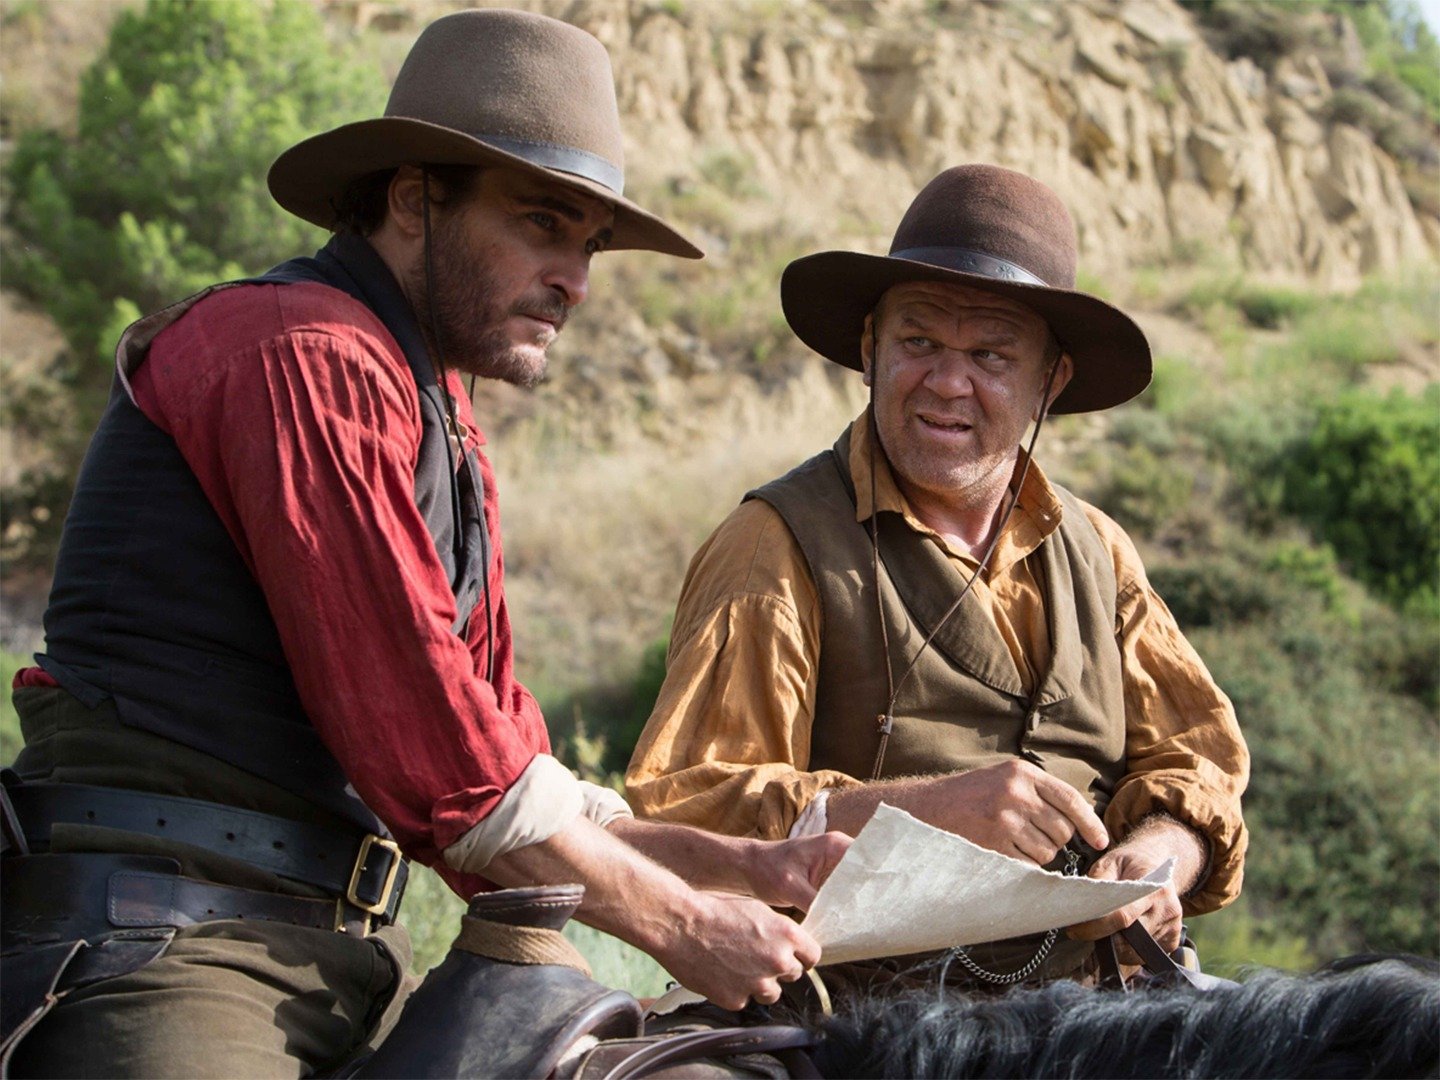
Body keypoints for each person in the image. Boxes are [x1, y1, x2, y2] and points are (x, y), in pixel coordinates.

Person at [0, 11, 847, 1076]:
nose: (576, 280)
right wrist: (680, 922)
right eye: (543, 224)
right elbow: (445, 762)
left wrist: (734, 866)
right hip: (168, 942)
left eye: (588, 245)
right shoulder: (303, 354)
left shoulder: (434, 407)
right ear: (413, 201)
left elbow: (504, 762)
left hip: (338, 954)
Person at [626, 164, 1250, 996]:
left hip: (1097, 1010)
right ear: (870, 350)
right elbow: (686, 809)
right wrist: (923, 813)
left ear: (1050, 382)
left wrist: (1162, 855)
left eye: (991, 355)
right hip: (860, 1019)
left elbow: (1198, 760)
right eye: (919, 343)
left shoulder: (1099, 551)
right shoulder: (774, 544)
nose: (949, 383)